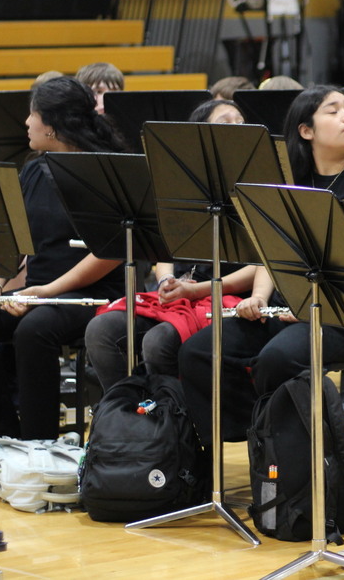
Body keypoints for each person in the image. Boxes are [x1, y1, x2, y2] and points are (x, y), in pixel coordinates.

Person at [176, 85, 344, 445]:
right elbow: (271, 258)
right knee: (198, 352)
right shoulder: (287, 185)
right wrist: (258, 297)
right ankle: (256, 435)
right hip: (292, 308)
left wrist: (312, 301)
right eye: (333, 110)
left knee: (277, 358)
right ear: (306, 131)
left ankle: (284, 445)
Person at [0, 77, 127, 441]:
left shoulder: (105, 169)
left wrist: (46, 292)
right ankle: (2, 441)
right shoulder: (33, 168)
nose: (26, 122)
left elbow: (112, 251)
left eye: (33, 114)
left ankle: (38, 445)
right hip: (40, 294)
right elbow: (17, 239)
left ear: (53, 125)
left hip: (92, 294)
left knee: (34, 329)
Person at [84, 99, 253, 392]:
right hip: (183, 296)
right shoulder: (181, 187)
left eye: (241, 121)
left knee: (158, 341)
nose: (238, 128)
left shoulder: (257, 186)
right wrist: (165, 280)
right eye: (227, 122)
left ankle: (173, 426)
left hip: (232, 298)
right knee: (101, 330)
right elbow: (165, 249)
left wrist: (198, 290)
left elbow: (262, 267)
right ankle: (126, 417)